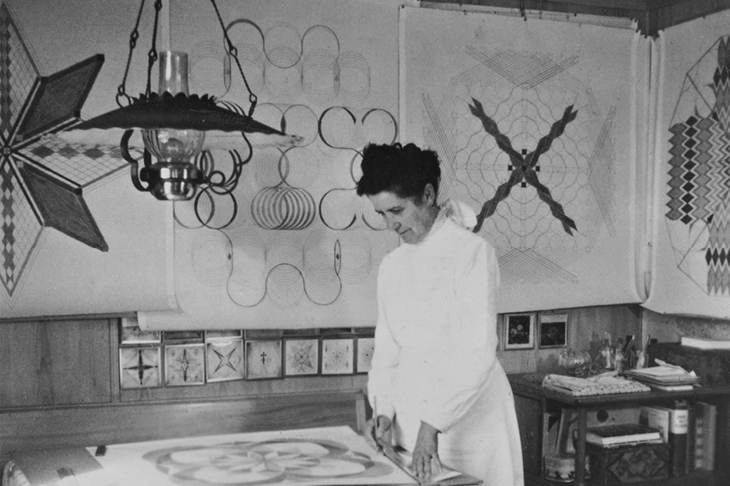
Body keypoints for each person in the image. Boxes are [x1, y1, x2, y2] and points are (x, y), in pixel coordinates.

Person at [358, 142, 524, 486]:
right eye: (382, 214)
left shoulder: (472, 254)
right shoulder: (392, 266)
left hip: (468, 423)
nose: (390, 224)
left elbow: (477, 352)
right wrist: (385, 413)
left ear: (428, 194)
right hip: (409, 424)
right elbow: (388, 352)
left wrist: (431, 426)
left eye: (397, 211)